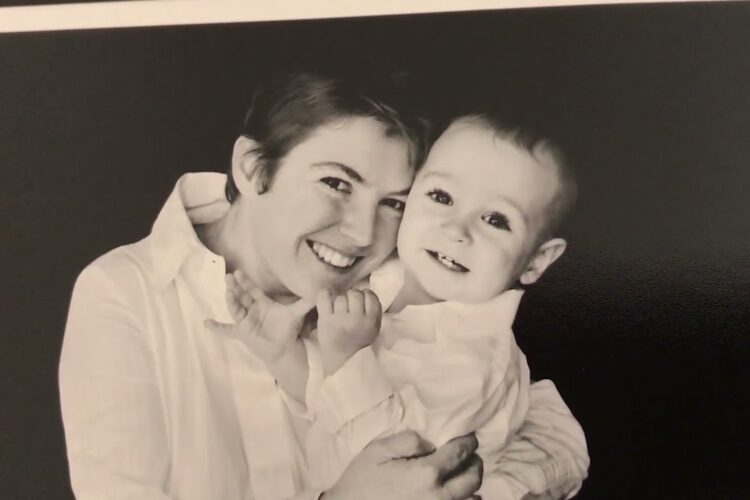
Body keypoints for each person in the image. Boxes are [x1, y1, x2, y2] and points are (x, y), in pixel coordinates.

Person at [59, 72, 588, 500]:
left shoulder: (410, 281)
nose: (361, 233)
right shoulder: (126, 294)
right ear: (252, 168)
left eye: (394, 203)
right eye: (336, 183)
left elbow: (547, 435)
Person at [220, 113, 584, 499]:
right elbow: (326, 405)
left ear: (536, 261)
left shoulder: (478, 362)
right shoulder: (379, 274)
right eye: (441, 197)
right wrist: (282, 354)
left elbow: (397, 470)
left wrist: (347, 356)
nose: (456, 229)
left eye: (495, 220)